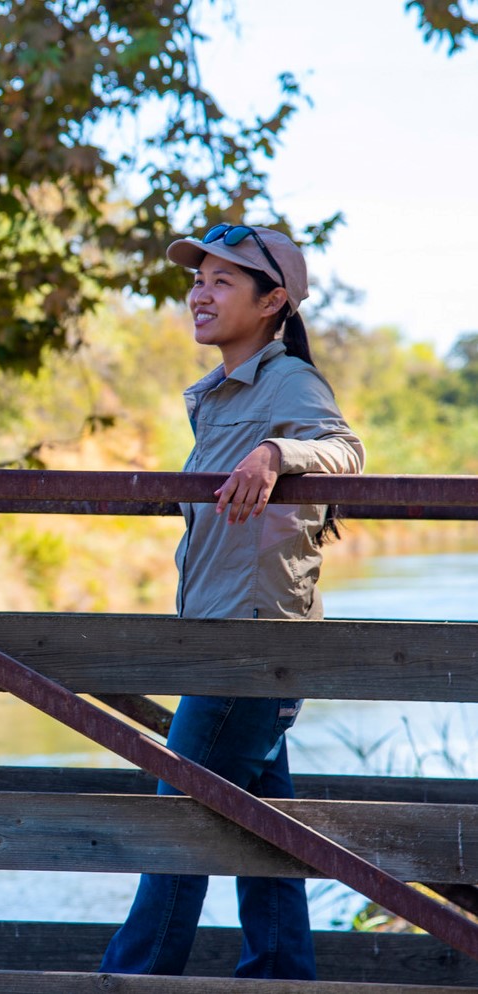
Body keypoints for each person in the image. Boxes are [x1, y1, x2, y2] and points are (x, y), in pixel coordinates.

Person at [99, 221, 365, 979]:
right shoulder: (221, 396)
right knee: (263, 829)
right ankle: (279, 975)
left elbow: (346, 452)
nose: (200, 293)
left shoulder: (290, 384)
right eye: (198, 280)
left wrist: (277, 452)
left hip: (252, 647)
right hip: (226, 641)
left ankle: (134, 978)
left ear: (272, 301)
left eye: (222, 281)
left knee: (179, 821)